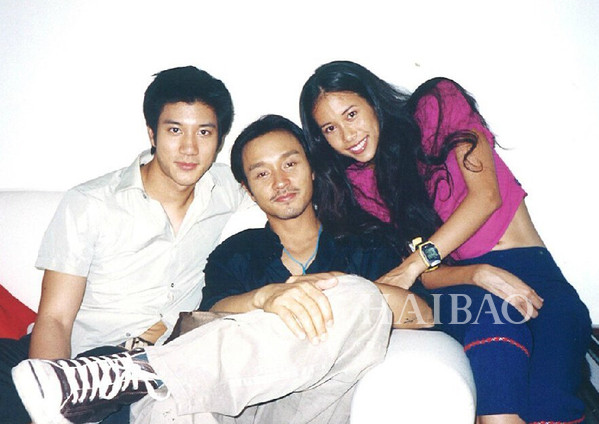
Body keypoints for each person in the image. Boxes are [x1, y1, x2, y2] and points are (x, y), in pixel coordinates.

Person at [299, 60, 592, 424]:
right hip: (466, 292)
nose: (347, 135)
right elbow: (428, 277)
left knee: (548, 405)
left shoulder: (437, 106)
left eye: (351, 114)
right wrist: (475, 273)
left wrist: (415, 263)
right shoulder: (364, 183)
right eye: (330, 128)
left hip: (535, 277)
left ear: (372, 101)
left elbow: (486, 197)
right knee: (495, 358)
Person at [0, 65, 252, 424]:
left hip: (145, 373)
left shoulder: (226, 188)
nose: (189, 148)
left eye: (204, 132)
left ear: (220, 139)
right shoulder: (90, 203)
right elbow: (55, 319)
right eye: (175, 130)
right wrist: (57, 393)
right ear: (152, 133)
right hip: (69, 360)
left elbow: (288, 188)